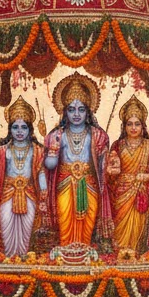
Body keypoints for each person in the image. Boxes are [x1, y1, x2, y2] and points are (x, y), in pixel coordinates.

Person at [43, 73, 113, 247]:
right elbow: (49, 165)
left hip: (89, 184)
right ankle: (66, 251)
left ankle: (84, 251)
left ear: (88, 112)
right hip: (64, 183)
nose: (76, 114)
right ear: (64, 111)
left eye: (81, 109)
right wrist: (52, 152)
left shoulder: (97, 135)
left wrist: (108, 162)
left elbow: (104, 166)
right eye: (71, 109)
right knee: (65, 219)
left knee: (88, 222)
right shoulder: (56, 135)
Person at [0, 96, 48, 257]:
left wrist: (43, 190)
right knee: (7, 225)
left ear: (30, 129)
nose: (19, 131)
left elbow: (41, 171)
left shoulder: (37, 150)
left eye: (23, 127)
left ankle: (23, 258)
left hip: (29, 193)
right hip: (7, 193)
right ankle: (9, 258)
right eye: (15, 127)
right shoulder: (2, 151)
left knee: (27, 228)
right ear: (10, 129)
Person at [105, 95, 149, 254]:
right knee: (119, 229)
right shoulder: (117, 146)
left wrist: (147, 177)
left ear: (143, 126)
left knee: (138, 227)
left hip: (141, 193)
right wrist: (110, 172)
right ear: (124, 126)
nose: (133, 128)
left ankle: (136, 254)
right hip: (120, 194)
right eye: (129, 124)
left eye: (137, 124)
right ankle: (119, 254)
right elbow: (111, 170)